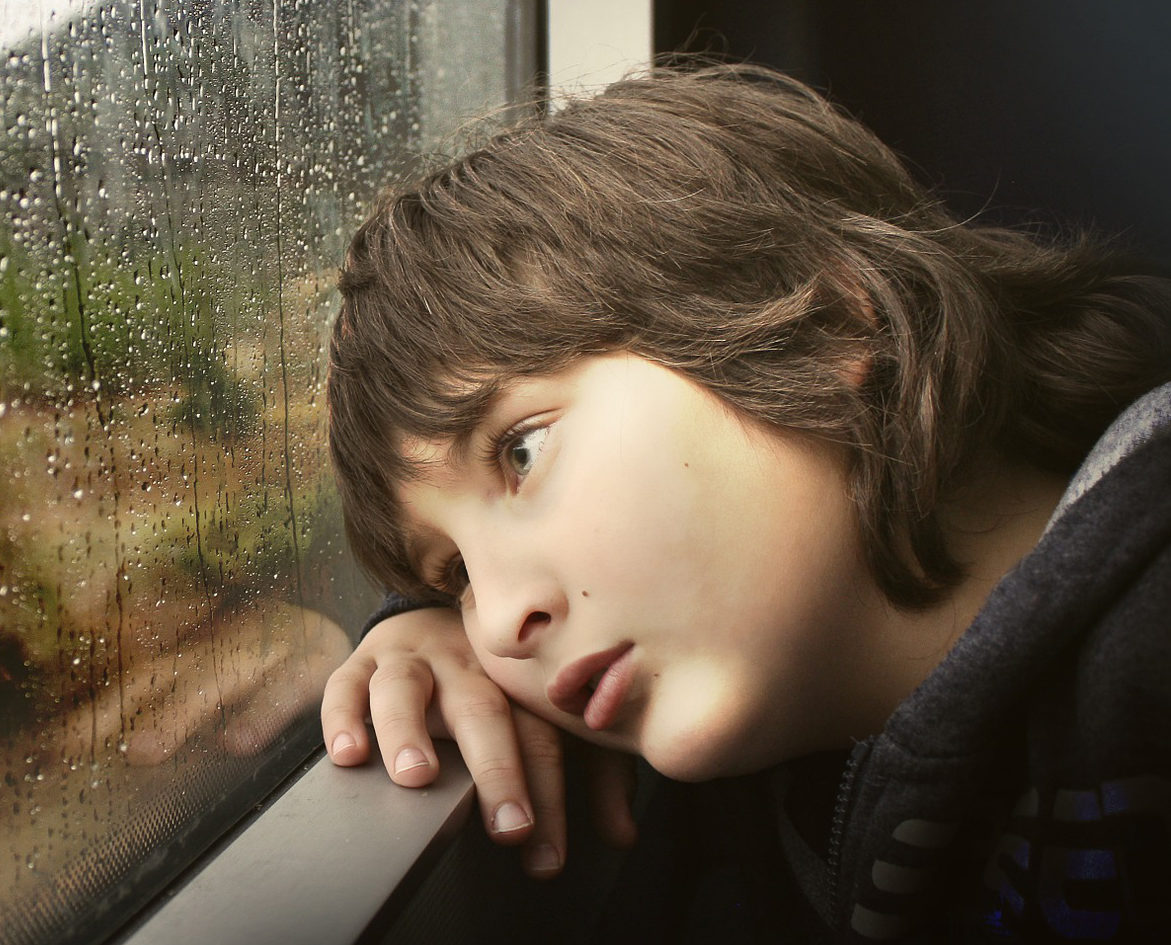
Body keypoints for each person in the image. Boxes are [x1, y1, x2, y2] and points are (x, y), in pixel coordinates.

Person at [318, 62, 1171, 942]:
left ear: (824, 318)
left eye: (521, 451)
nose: (496, 622)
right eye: (454, 568)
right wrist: (414, 626)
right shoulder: (753, 783)